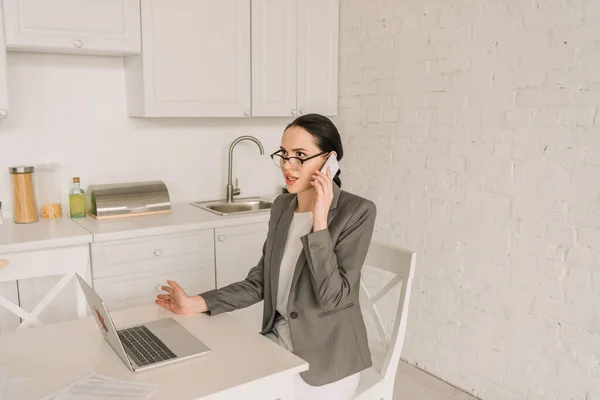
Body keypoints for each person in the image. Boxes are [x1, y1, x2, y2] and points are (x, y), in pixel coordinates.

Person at [156, 114, 377, 400]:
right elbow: (260, 281)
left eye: (300, 156)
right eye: (284, 154)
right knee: (209, 382)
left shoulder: (358, 212)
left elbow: (332, 298)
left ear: (329, 161)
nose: (288, 165)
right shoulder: (283, 207)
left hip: (328, 362)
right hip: (278, 342)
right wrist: (194, 303)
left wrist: (320, 223)